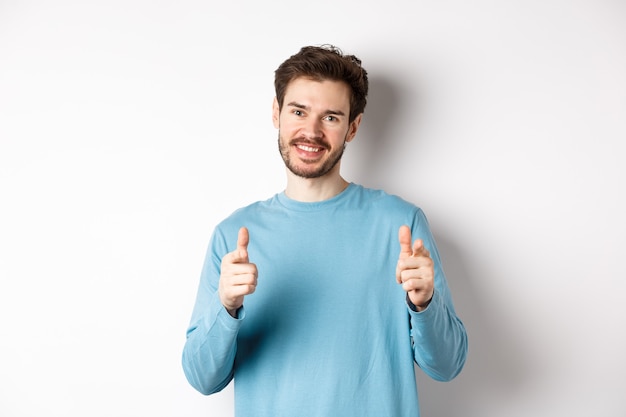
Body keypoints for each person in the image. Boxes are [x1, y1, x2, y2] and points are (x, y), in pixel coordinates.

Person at [182, 44, 468, 417]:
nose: (311, 131)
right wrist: (227, 308)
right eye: (299, 111)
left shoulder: (401, 225)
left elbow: (447, 366)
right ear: (276, 113)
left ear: (353, 127)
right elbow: (203, 378)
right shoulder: (234, 235)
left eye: (331, 117)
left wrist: (425, 305)